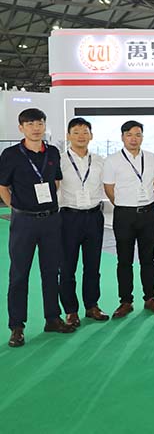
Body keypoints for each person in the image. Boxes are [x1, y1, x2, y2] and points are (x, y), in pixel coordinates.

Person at [0, 108, 75, 347]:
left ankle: (52, 318)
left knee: (51, 271)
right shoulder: (10, 154)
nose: (36, 128)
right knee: (19, 274)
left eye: (40, 123)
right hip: (23, 222)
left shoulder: (52, 152)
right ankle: (17, 326)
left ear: (44, 126)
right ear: (21, 127)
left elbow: (56, 181)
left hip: (51, 220)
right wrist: (17, 209)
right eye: (30, 123)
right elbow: (3, 187)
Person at [104, 120, 154, 318]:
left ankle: (150, 298)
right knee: (124, 260)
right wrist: (123, 204)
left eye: (138, 135)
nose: (133, 139)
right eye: (129, 135)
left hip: (148, 213)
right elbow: (109, 188)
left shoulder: (153, 158)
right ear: (122, 137)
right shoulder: (112, 160)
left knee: (149, 258)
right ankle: (125, 301)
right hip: (124, 215)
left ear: (142, 137)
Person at [58, 117, 109, 327]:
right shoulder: (59, 160)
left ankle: (92, 306)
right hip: (68, 217)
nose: (81, 136)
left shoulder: (100, 161)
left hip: (94, 217)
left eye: (85, 132)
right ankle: (71, 310)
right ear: (68, 136)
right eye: (76, 132)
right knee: (67, 267)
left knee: (93, 265)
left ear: (91, 136)